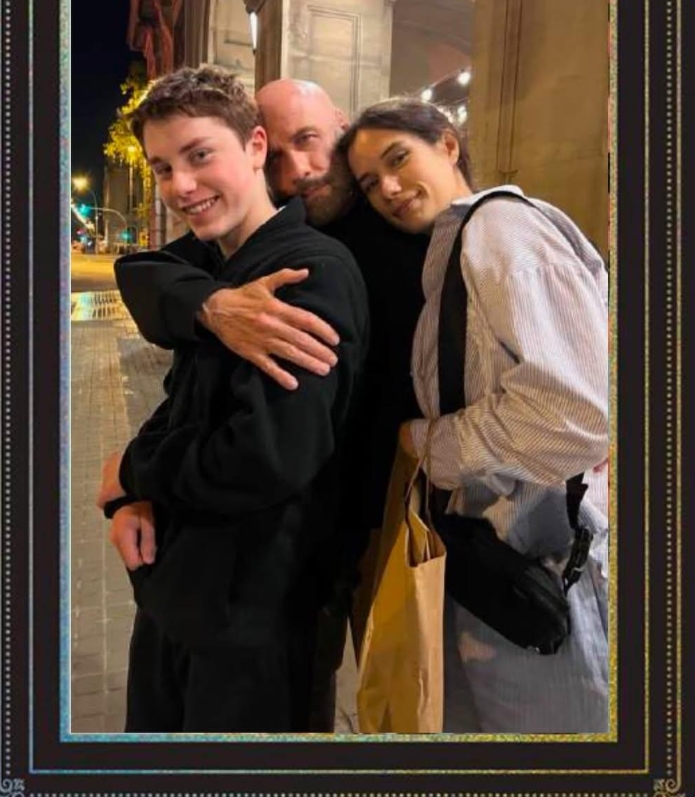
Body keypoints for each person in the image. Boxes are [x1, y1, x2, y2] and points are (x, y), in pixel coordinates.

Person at [95, 66, 369, 732]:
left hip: (252, 624)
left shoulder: (308, 272)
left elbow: (264, 456)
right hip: (184, 598)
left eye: (199, 156)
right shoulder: (218, 264)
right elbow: (183, 395)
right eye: (163, 168)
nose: (180, 186)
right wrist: (132, 492)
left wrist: (134, 470)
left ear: (253, 147)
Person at [338, 97, 609, 733]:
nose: (389, 189)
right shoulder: (459, 247)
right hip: (507, 567)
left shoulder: (501, 230)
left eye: (399, 159)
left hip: (544, 566)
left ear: (448, 144)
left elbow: (574, 416)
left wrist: (427, 443)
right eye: (370, 183)